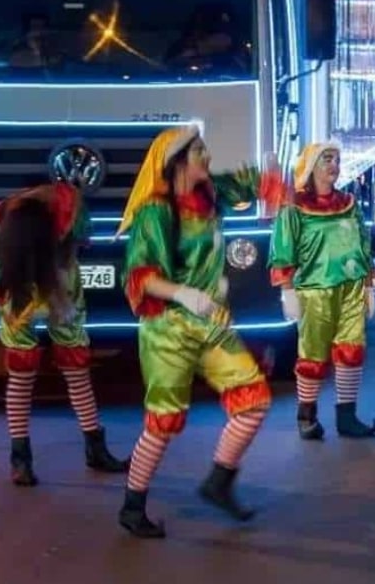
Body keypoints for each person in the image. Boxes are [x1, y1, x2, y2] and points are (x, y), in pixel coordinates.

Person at [116, 126, 280, 539]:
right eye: (200, 151)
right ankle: (133, 505)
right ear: (177, 162)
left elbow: (255, 183)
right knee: (163, 422)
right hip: (167, 330)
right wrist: (184, 293)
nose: (208, 157)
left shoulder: (211, 192)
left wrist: (276, 172)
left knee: (254, 400)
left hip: (212, 323)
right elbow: (140, 276)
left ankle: (219, 482)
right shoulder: (156, 211)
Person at [0, 182, 129, 486]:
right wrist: (8, 286)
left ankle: (32, 460)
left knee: (69, 370)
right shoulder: (7, 218)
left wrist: (7, 285)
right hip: (27, 288)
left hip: (55, 286)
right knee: (45, 374)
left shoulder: (60, 211)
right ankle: (30, 459)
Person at [270, 142, 375, 440]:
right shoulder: (295, 207)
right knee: (313, 354)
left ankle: (347, 417)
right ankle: (306, 416)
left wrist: (369, 286)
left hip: (352, 287)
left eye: (336, 159)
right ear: (311, 166)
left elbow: (363, 243)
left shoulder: (349, 202)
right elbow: (283, 247)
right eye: (326, 159)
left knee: (351, 349)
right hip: (314, 290)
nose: (333, 165)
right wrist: (287, 290)